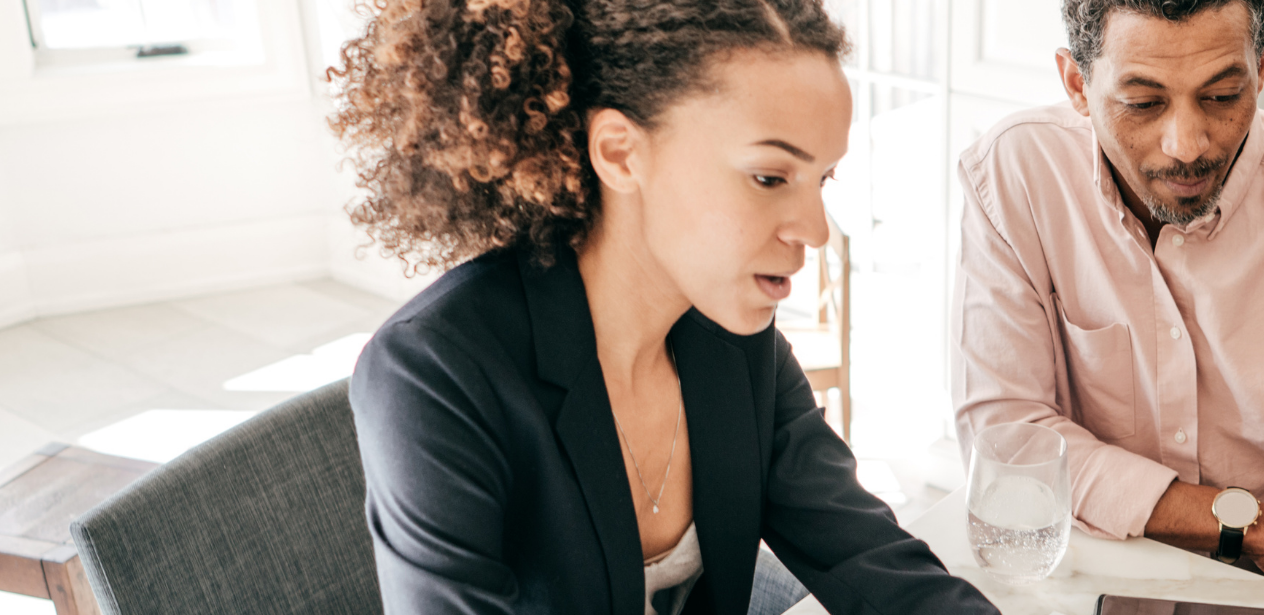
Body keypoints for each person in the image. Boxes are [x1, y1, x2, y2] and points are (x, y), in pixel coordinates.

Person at [329, 0, 998, 613]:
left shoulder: (738, 343)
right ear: (620, 153)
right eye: (770, 177)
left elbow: (865, 551)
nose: (815, 229)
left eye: (822, 179)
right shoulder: (435, 375)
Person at [950, 0, 1264, 613]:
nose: (1185, 146)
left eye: (1220, 95)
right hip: (1090, 594)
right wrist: (1251, 526)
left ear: (1262, 63)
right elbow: (1007, 438)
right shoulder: (1015, 175)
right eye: (1143, 103)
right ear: (1077, 83)